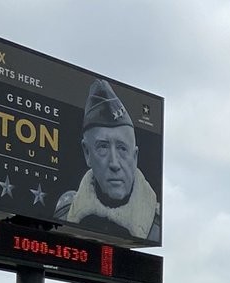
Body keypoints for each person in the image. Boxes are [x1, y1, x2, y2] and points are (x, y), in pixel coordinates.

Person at [54, 79, 161, 243]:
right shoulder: (63, 213)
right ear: (87, 153)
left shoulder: (155, 224)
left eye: (122, 149)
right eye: (103, 147)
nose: (115, 164)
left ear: (135, 157)